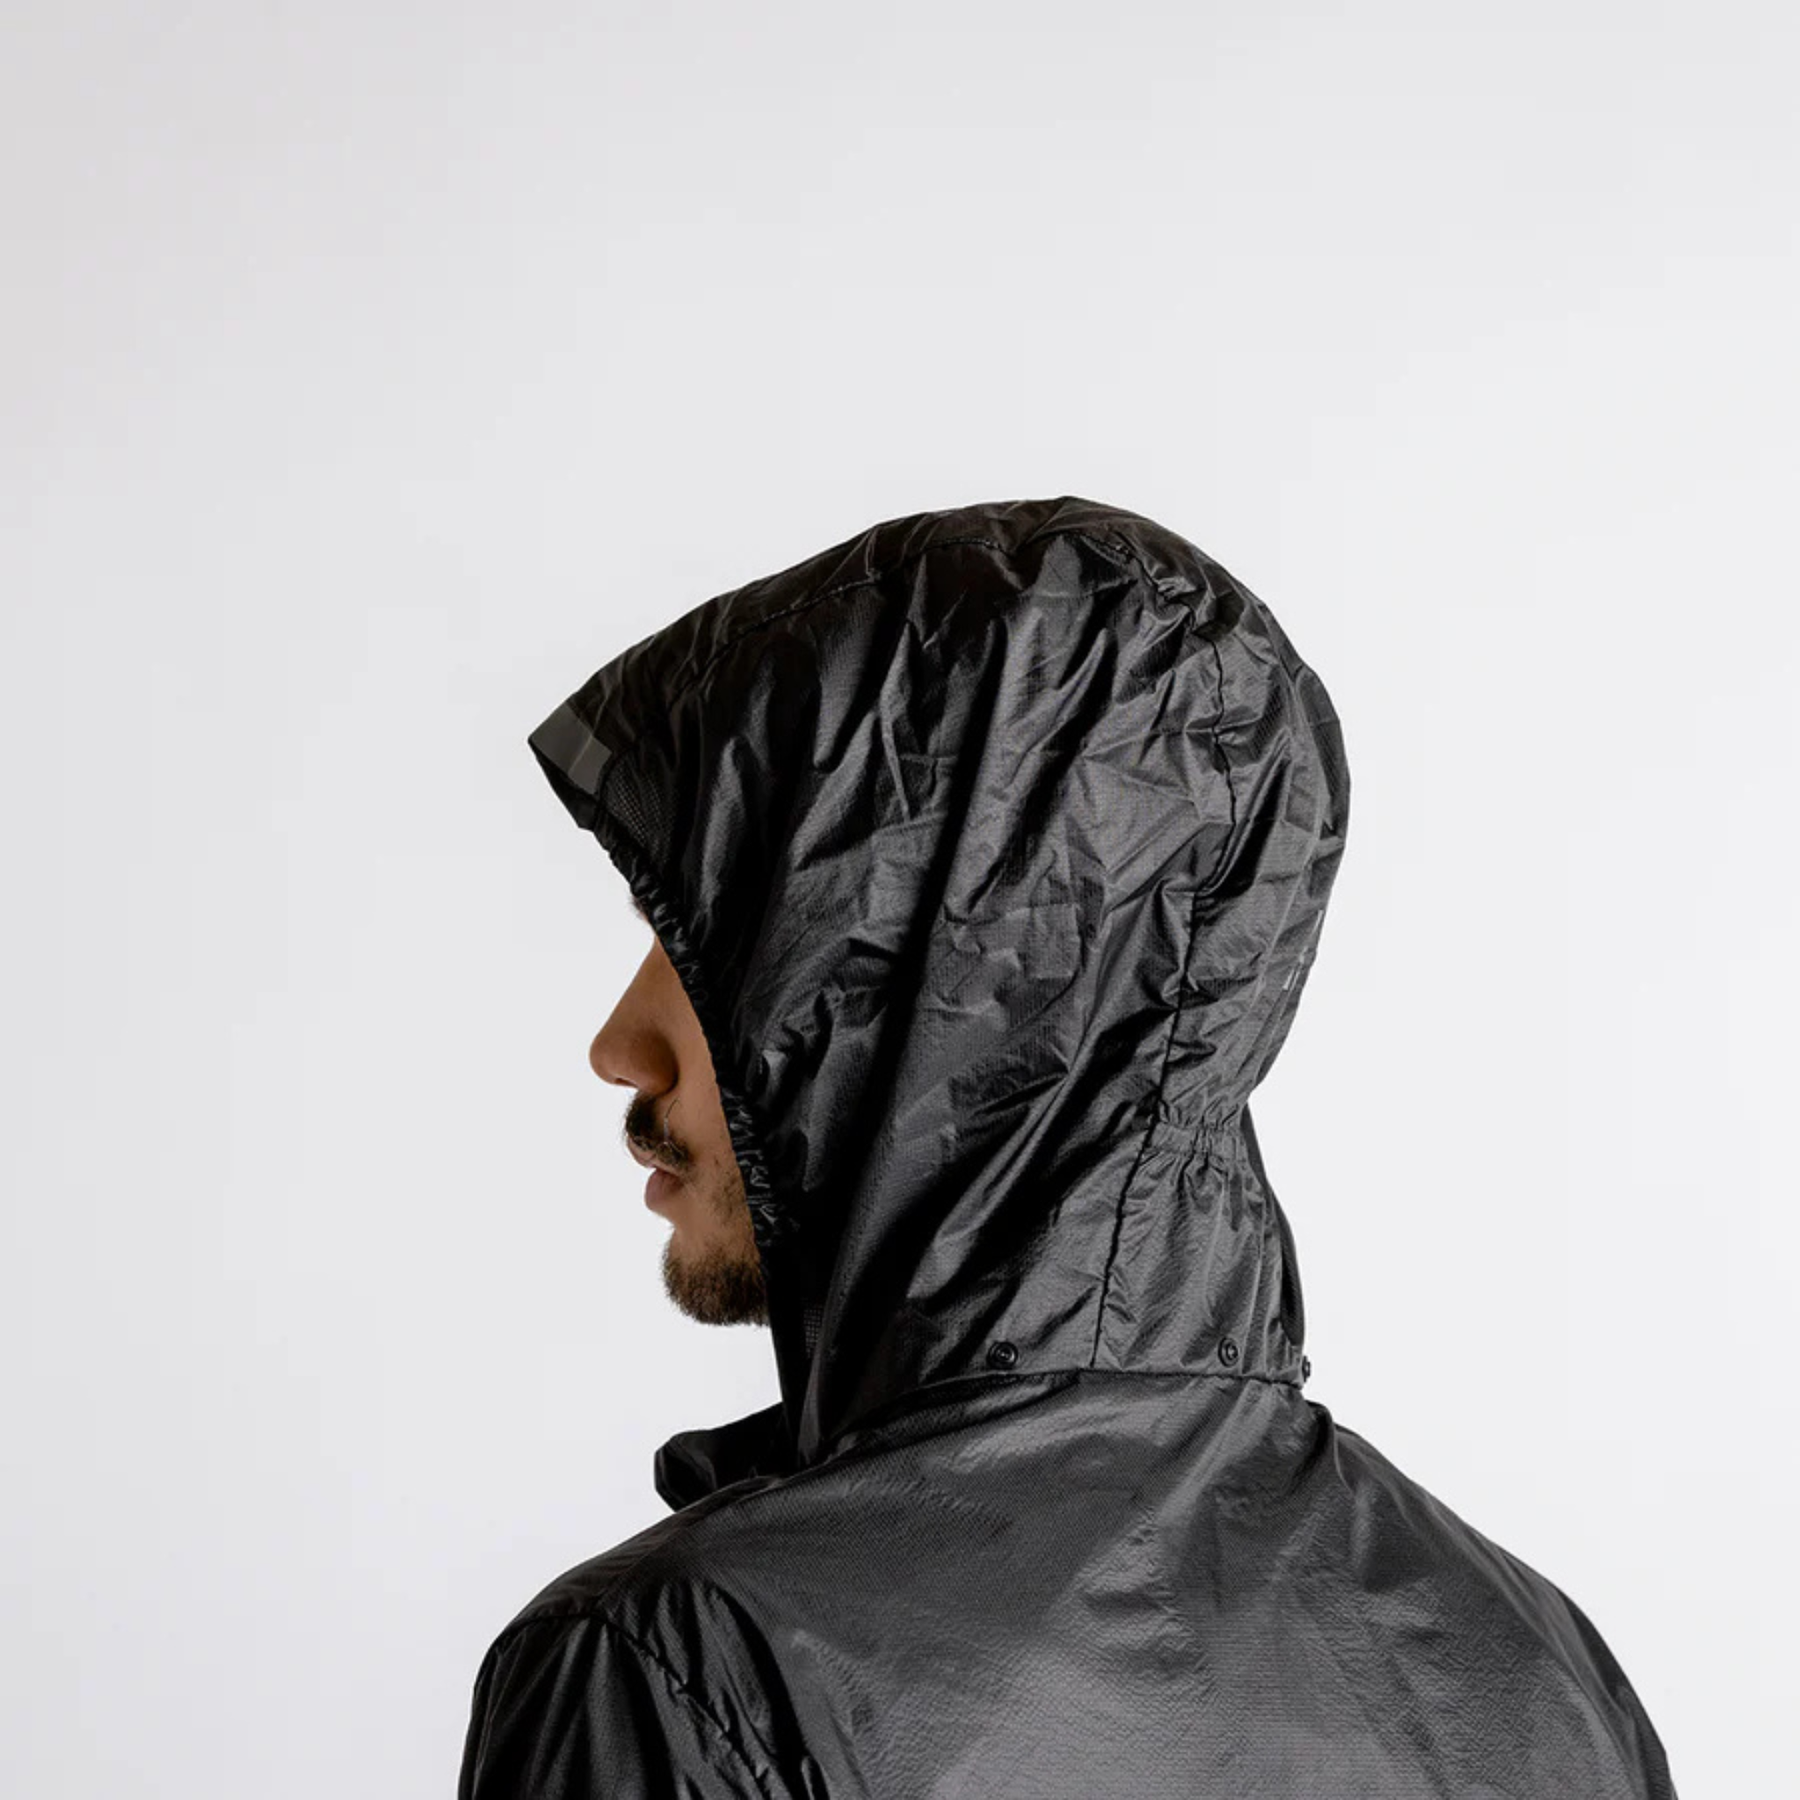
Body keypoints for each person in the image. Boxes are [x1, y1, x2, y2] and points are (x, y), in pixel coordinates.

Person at [458, 495, 1678, 1798]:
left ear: (939, 991)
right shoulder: (1538, 1670)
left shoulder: (687, 1679)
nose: (621, 1043)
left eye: (708, 942)